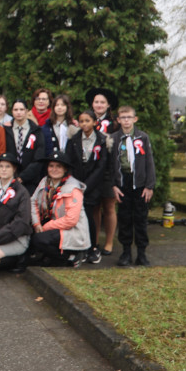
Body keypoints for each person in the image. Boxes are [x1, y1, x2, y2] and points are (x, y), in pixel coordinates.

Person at [111, 105, 156, 267]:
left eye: (129, 117)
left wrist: (149, 186)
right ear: (118, 120)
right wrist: (114, 185)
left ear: (135, 119)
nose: (126, 121)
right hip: (123, 183)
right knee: (124, 219)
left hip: (140, 184)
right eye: (123, 118)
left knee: (140, 218)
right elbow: (110, 165)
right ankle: (126, 252)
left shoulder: (142, 138)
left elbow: (149, 162)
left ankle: (142, 253)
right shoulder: (114, 139)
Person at [29, 150, 92, 266]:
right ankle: (50, 255)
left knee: (39, 239)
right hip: (53, 224)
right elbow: (33, 202)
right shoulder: (45, 181)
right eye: (51, 166)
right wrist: (36, 224)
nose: (54, 169)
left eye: (58, 166)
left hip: (73, 230)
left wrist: (46, 227)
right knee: (31, 234)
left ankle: (70, 257)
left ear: (65, 169)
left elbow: (71, 220)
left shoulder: (73, 188)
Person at [66, 111, 109, 263]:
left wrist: (87, 185)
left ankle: (93, 247)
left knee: (89, 215)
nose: (84, 124)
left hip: (93, 186)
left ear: (94, 122)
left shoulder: (101, 140)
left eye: (87, 121)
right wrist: (74, 183)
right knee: (75, 216)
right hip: (76, 183)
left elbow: (101, 165)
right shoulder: (74, 139)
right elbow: (69, 161)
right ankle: (78, 247)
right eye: (81, 121)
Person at [86, 86, 119, 256]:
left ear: (108, 105)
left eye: (102, 102)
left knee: (109, 206)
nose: (99, 105)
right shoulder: (86, 121)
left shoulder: (114, 125)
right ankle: (95, 241)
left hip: (108, 171)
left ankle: (109, 242)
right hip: (92, 170)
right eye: (96, 102)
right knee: (94, 207)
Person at [4, 99, 43, 186]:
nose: (18, 112)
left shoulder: (36, 130)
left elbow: (39, 157)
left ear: (26, 111)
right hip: (9, 177)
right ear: (12, 111)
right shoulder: (6, 130)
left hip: (30, 180)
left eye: (21, 110)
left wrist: (23, 177)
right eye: (16, 110)